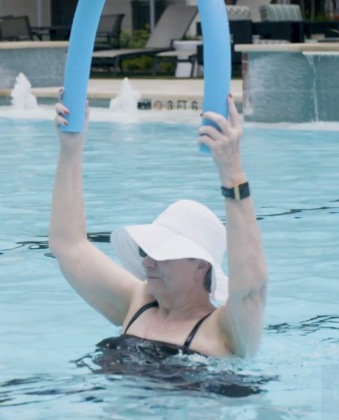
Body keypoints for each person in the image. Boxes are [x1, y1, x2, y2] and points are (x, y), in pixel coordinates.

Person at [50, 93, 267, 359]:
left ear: (201, 264)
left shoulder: (224, 330)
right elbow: (69, 246)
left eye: (163, 254)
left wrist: (232, 172)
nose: (148, 263)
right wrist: (70, 148)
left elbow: (250, 288)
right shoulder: (136, 302)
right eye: (146, 251)